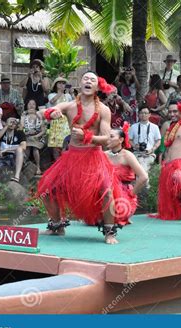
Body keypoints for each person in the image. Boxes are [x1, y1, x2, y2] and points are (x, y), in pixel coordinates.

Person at [38, 72, 121, 244]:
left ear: (97, 87)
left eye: (93, 80)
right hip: (72, 158)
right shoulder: (69, 106)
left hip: (94, 157)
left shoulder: (103, 110)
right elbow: (47, 111)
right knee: (46, 190)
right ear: (80, 84)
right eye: (86, 79)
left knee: (107, 192)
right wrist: (51, 113)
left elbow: (106, 139)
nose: (89, 81)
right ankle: (57, 225)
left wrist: (87, 136)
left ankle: (109, 232)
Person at [106, 123, 148, 225]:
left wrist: (131, 195)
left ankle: (127, 210)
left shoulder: (128, 156)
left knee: (116, 216)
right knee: (94, 219)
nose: (108, 139)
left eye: (111, 136)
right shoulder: (104, 154)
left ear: (120, 140)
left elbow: (144, 177)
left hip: (123, 194)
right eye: (107, 136)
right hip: (107, 192)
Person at [47, 77, 73, 161]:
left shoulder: (68, 95)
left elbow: (73, 105)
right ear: (56, 85)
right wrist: (61, 92)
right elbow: (52, 101)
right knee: (55, 145)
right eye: (60, 83)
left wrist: (71, 93)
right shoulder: (51, 95)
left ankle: (64, 163)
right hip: (55, 121)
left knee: (65, 143)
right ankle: (56, 164)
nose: (62, 84)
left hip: (66, 122)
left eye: (63, 83)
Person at [129, 106, 161, 174]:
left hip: (149, 153)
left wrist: (152, 149)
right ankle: (144, 181)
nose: (143, 115)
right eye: (141, 113)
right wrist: (135, 146)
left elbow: (158, 140)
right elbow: (129, 140)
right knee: (142, 166)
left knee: (143, 167)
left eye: (146, 113)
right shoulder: (133, 127)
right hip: (137, 153)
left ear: (149, 114)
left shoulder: (154, 127)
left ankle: (142, 181)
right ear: (138, 114)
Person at [0, 117, 27, 183]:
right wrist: (6, 127)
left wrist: (6, 149)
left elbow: (23, 146)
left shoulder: (19, 132)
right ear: (6, 123)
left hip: (15, 158)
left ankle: (17, 176)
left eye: (14, 122)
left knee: (19, 149)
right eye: (10, 121)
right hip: (4, 158)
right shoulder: (2, 132)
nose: (12, 123)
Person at [20, 99, 46, 175]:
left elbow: (43, 130)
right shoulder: (24, 116)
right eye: (29, 104)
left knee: (34, 147)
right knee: (27, 147)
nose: (31, 106)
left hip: (38, 137)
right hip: (27, 136)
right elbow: (21, 128)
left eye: (33, 104)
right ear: (26, 106)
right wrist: (27, 132)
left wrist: (36, 136)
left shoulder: (39, 115)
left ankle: (38, 166)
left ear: (36, 106)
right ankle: (25, 166)